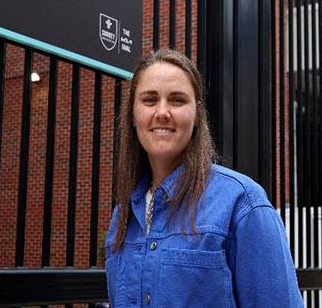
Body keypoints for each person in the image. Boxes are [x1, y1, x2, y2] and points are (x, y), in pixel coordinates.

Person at [105, 49, 303, 307]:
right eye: (149, 100)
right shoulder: (123, 216)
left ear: (197, 113)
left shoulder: (243, 204)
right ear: (133, 113)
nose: (162, 112)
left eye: (177, 100)